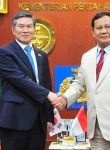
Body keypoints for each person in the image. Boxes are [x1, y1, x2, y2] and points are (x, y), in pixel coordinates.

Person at [51, 12, 110, 149]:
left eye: (107, 26)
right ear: (93, 32)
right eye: (99, 28)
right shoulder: (87, 56)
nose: (103, 31)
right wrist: (65, 99)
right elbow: (79, 84)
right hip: (95, 131)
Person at [0, 11, 58, 150]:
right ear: (13, 30)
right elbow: (20, 80)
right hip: (15, 119)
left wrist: (49, 116)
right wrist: (48, 95)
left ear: (34, 29)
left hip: (38, 121)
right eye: (21, 26)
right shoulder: (5, 52)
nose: (25, 30)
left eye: (29, 26)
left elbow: (46, 84)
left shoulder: (41, 55)